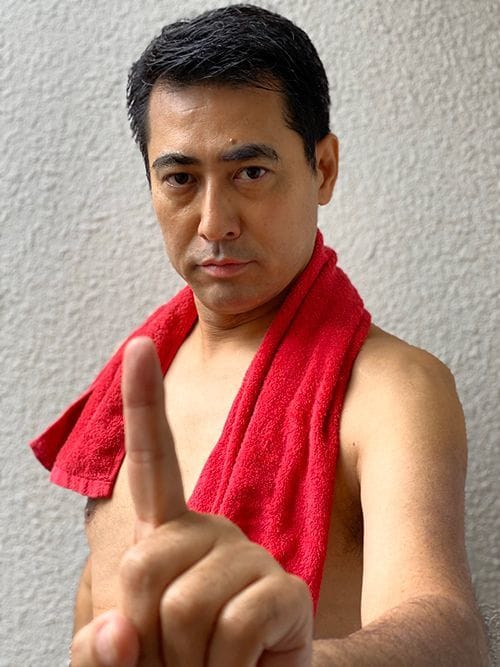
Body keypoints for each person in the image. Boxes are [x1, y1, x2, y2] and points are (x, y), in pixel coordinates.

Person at [30, 5, 489, 666]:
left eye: (250, 172)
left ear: (322, 168)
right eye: (181, 179)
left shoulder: (394, 389)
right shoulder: (132, 387)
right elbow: (100, 610)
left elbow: (451, 632)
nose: (214, 222)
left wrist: (297, 661)